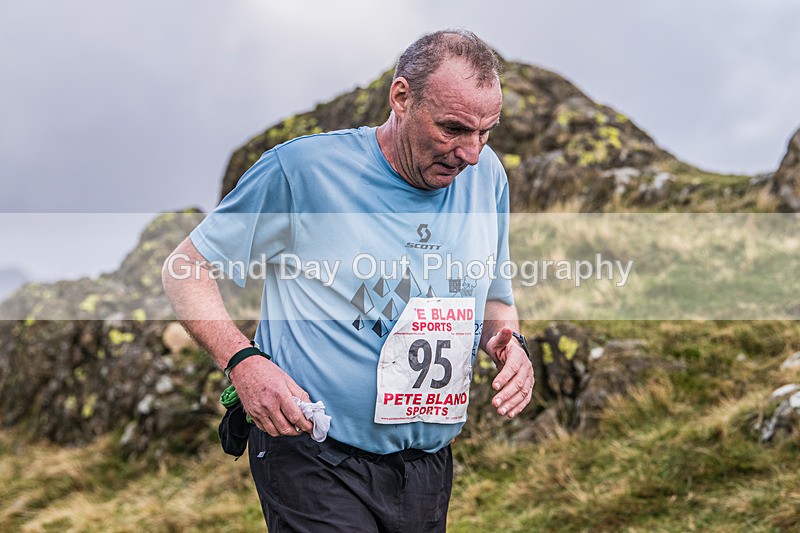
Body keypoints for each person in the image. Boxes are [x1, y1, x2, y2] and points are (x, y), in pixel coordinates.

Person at [163, 29, 534, 532]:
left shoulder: (487, 176)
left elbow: (494, 298)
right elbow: (184, 269)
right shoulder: (303, 172)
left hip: (425, 464)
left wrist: (512, 346)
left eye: (484, 132)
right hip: (313, 450)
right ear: (400, 97)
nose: (469, 153)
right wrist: (242, 362)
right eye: (452, 129)